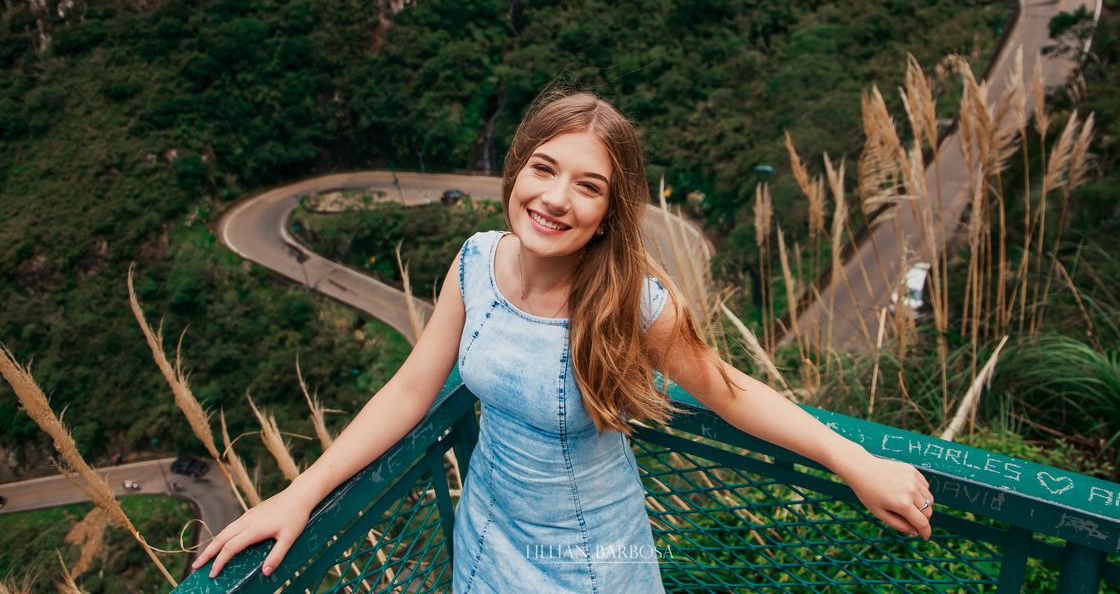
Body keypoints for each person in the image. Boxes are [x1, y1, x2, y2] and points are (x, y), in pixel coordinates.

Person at [193, 91, 935, 592]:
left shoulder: (631, 301)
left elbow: (728, 391)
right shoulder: (475, 261)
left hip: (589, 557)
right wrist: (300, 494)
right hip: (486, 533)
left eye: (588, 186)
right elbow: (412, 390)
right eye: (543, 169)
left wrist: (856, 462)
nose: (554, 198)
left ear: (611, 211)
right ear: (516, 169)